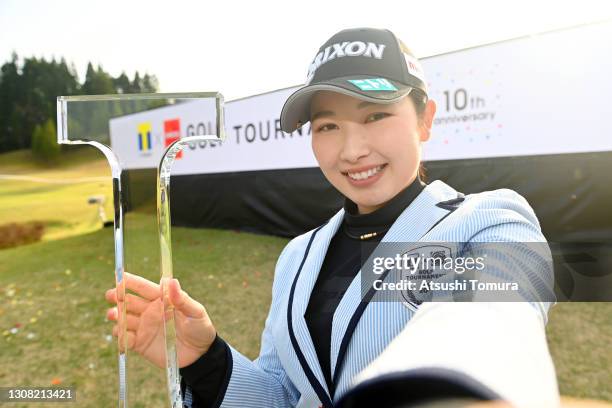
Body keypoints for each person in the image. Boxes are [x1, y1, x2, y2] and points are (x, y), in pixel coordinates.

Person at [105, 28, 560, 407]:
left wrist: (439, 391)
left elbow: (493, 317)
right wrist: (204, 361)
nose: (352, 150)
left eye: (377, 114)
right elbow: (283, 394)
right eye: (327, 126)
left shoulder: (490, 221)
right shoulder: (298, 257)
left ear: (425, 120)